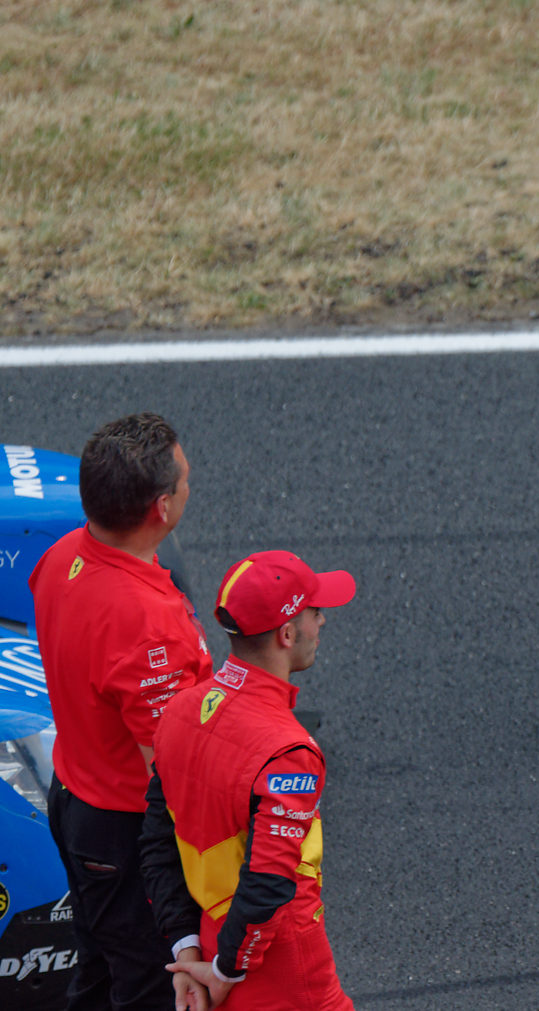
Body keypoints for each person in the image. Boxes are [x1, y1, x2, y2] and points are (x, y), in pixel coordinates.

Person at [28, 412, 213, 1011]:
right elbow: (173, 767)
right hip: (126, 832)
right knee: (149, 986)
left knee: (101, 963)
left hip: (75, 796)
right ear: (161, 507)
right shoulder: (148, 624)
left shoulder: (60, 556)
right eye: (185, 479)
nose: (191, 484)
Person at [139, 551, 359, 1011]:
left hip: (210, 942)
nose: (322, 623)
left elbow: (157, 844)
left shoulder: (179, 713)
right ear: (286, 634)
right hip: (286, 969)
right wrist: (223, 975)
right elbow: (269, 882)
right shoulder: (289, 751)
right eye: (314, 613)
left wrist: (188, 956)